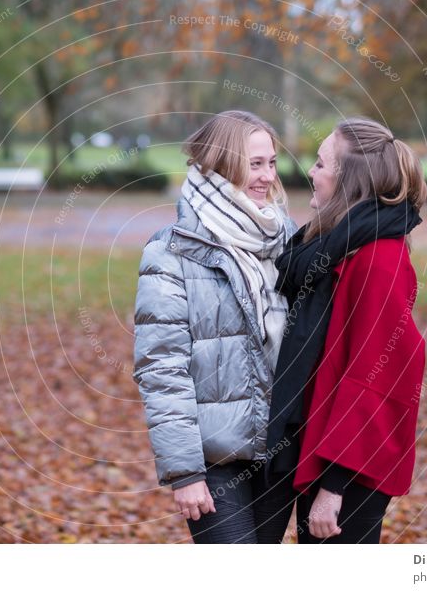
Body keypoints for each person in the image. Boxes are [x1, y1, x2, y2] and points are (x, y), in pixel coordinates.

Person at [132, 111, 299, 543]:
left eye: (271, 163)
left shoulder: (286, 238)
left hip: (279, 452)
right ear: (221, 164)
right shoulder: (171, 251)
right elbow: (160, 367)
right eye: (254, 164)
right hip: (213, 462)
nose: (266, 176)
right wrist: (185, 471)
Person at [266, 116, 427, 544]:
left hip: (349, 468)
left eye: (321, 164)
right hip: (321, 451)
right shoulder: (337, 244)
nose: (311, 174)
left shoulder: (378, 259)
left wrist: (333, 488)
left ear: (348, 181)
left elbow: (377, 377)